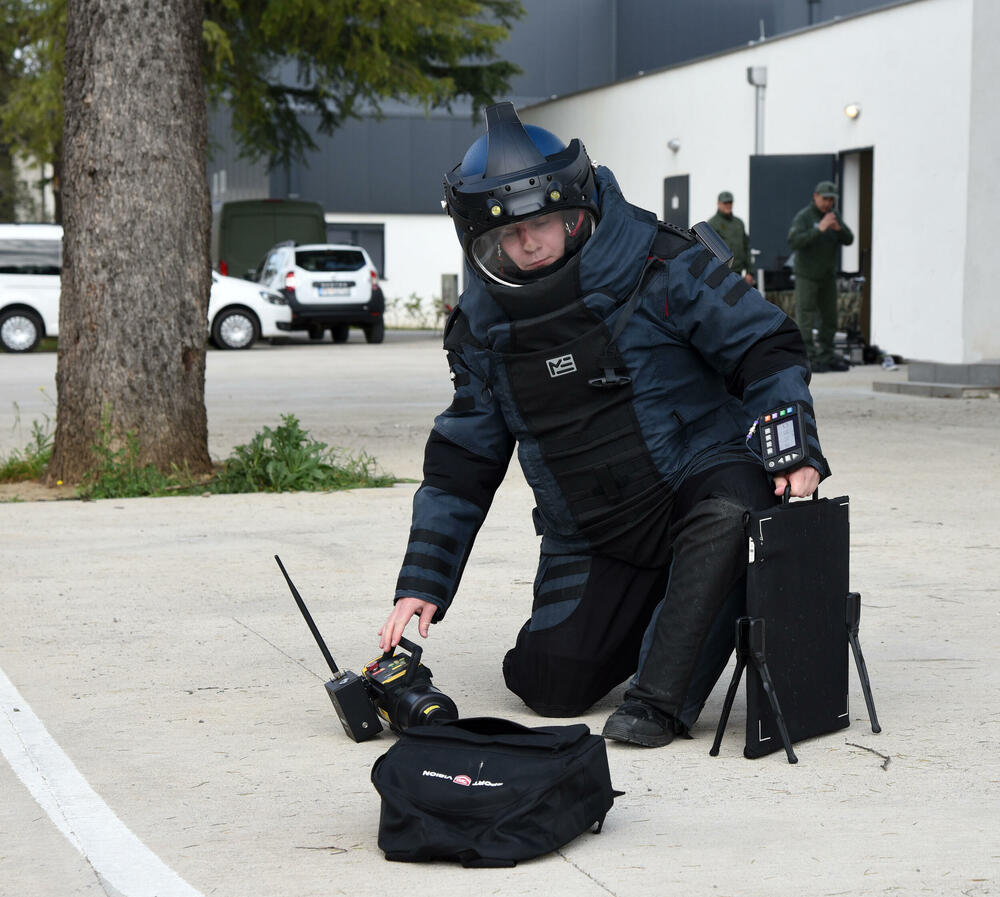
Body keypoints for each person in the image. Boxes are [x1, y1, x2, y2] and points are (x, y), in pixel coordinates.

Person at [379, 102, 830, 747]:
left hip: (697, 485)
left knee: (735, 509)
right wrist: (421, 582)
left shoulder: (665, 264)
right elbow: (462, 462)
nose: (525, 244)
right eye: (503, 236)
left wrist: (794, 452)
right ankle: (688, 600)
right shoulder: (481, 330)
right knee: (546, 686)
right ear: (476, 240)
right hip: (591, 533)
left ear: (573, 209)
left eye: (537, 224)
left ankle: (660, 698)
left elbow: (768, 347)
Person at [787, 180, 854, 372]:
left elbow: (849, 239)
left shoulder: (834, 216)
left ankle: (827, 355)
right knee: (806, 316)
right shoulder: (804, 217)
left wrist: (838, 229)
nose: (827, 203)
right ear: (815, 196)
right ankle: (808, 357)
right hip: (807, 275)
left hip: (827, 276)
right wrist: (819, 229)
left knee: (829, 317)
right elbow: (794, 242)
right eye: (825, 199)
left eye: (831, 200)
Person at [707, 191, 755, 285]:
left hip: (738, 273)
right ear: (718, 203)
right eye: (725, 203)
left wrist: (749, 271)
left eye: (730, 202)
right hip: (720, 273)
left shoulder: (739, 223)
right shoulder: (712, 224)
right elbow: (709, 251)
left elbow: (746, 247)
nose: (728, 205)